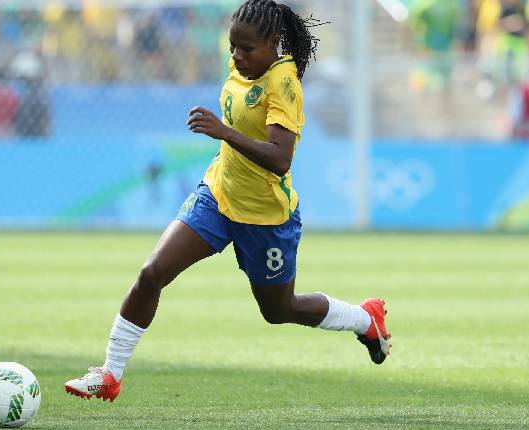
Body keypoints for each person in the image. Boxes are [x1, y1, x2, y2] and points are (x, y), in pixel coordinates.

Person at [64, 0, 391, 402]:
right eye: (232, 46)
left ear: (273, 43)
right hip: (218, 196)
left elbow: (279, 158)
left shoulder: (284, 84)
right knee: (152, 273)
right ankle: (110, 373)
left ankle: (364, 318)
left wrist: (224, 132)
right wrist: (225, 139)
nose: (236, 56)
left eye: (246, 48)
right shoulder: (244, 65)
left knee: (278, 311)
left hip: (265, 217)